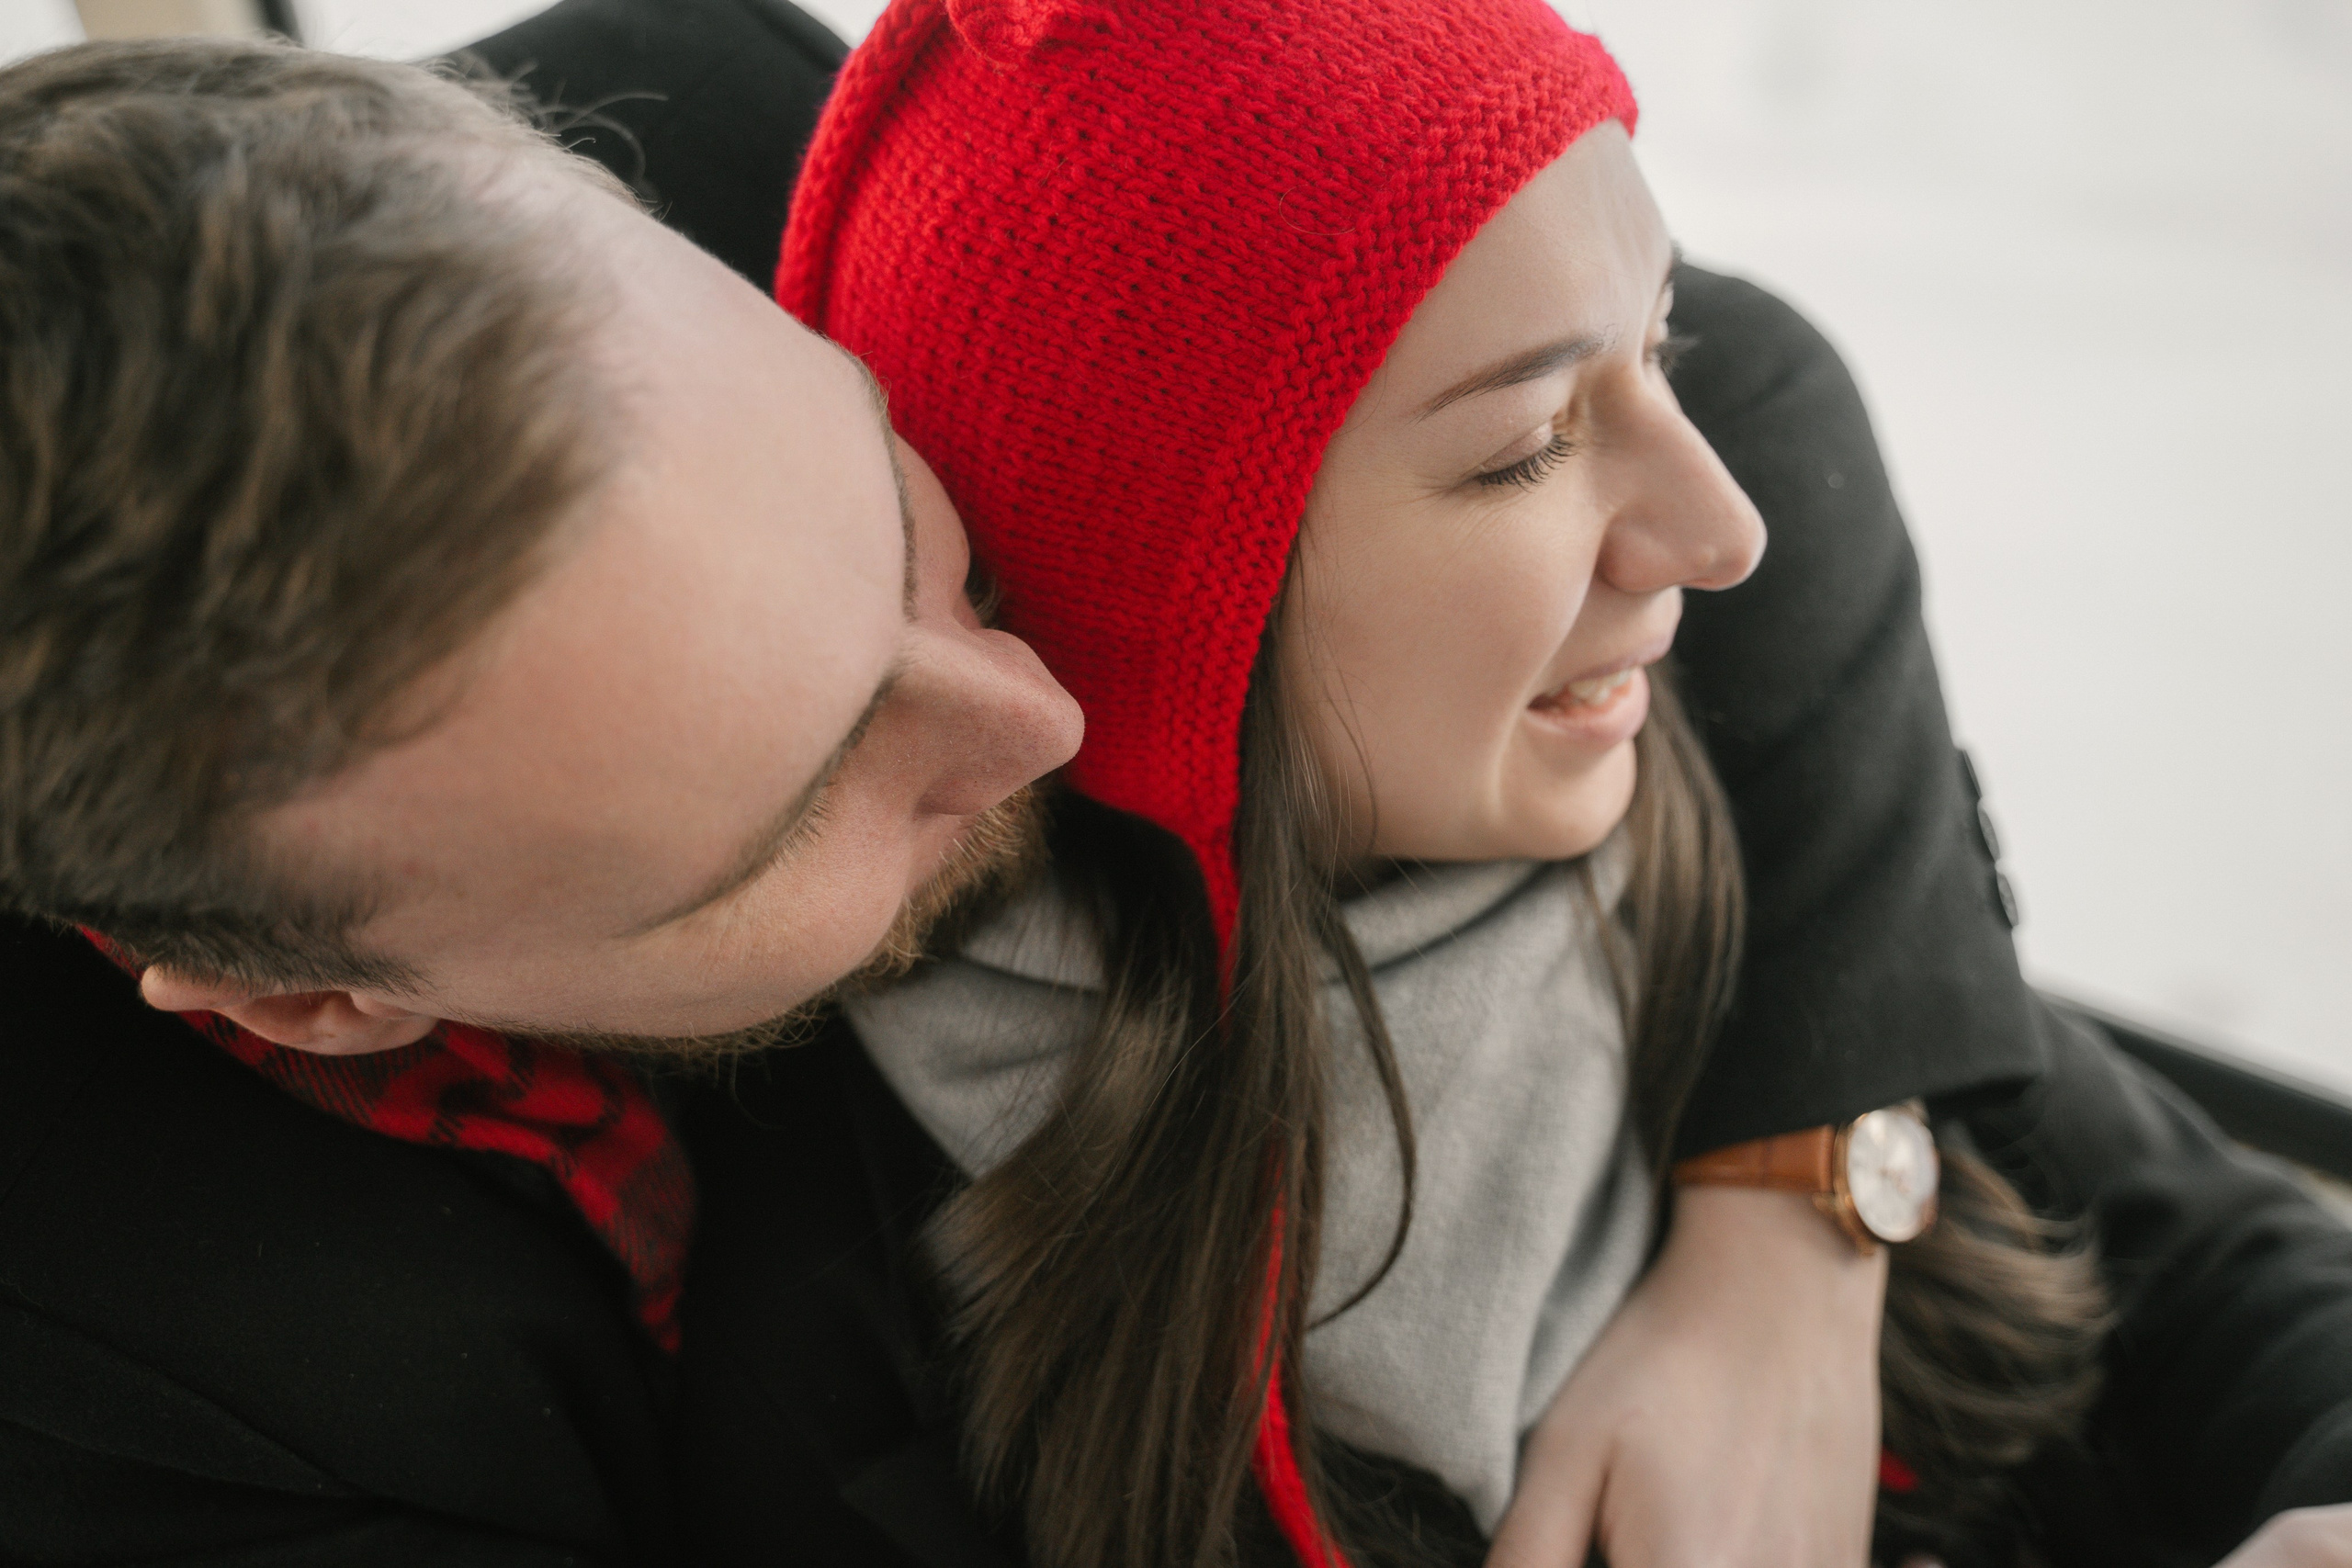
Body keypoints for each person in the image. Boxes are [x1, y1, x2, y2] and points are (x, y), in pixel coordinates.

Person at [0, 10, 2334, 1568]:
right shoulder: (168, 1366)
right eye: (810, 788)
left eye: (903, 510)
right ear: (313, 1001)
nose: (1040, 715)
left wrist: (1796, 1198)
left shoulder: (716, 148)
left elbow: (1643, 361)